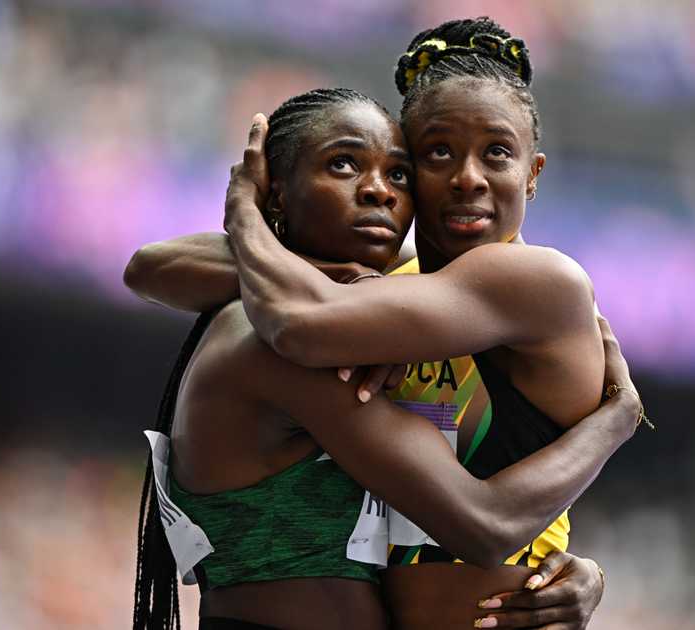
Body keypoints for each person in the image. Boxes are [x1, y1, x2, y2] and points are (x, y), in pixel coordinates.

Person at [129, 17, 645, 630]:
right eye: (436, 154)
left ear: (533, 173)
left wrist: (617, 422)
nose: (468, 178)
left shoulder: (537, 281)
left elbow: (296, 319)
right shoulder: (387, 288)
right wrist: (323, 265)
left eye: (498, 153)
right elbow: (150, 267)